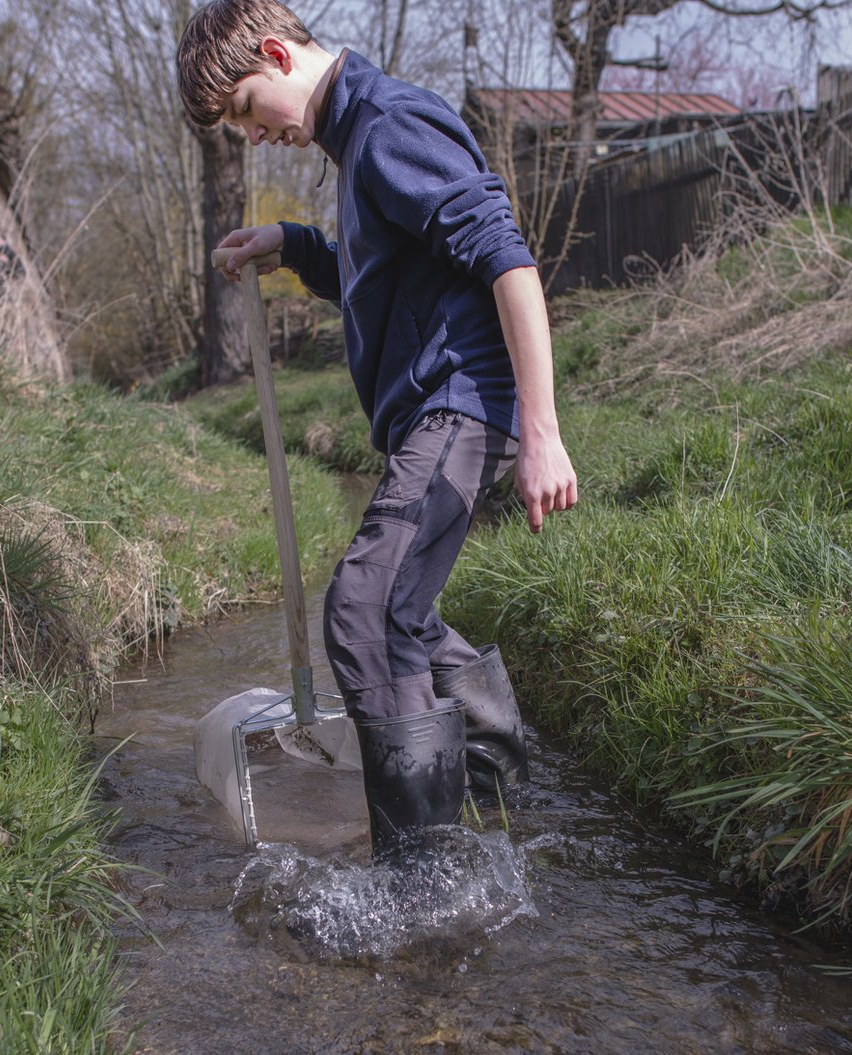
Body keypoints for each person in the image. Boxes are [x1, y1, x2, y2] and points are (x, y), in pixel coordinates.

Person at [177, 0, 579, 861]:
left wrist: (542, 430)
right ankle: (500, 784)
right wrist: (292, 243)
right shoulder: (358, 143)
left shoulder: (389, 124)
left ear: (278, 54)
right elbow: (389, 271)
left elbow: (508, 261)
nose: (254, 134)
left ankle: (424, 883)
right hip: (439, 415)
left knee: (363, 613)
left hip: (461, 405)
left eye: (247, 107)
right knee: (404, 613)